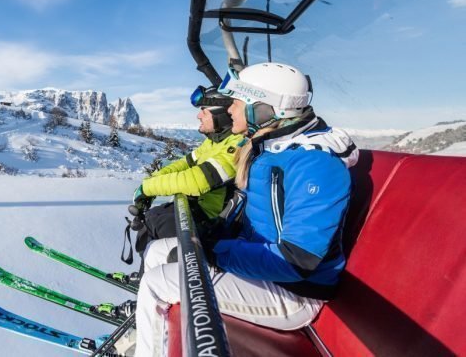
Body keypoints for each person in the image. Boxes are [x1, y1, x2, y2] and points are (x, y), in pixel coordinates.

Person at [133, 62, 359, 356]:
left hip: (294, 292)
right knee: (158, 251)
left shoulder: (314, 164)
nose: (229, 110)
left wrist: (215, 251)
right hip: (262, 266)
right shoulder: (268, 149)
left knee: (156, 284)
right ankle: (153, 335)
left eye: (237, 103)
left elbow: (299, 260)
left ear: (263, 109)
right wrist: (218, 236)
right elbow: (259, 219)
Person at [94, 86, 244, 319]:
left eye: (204, 110)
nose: (198, 115)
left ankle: (151, 301)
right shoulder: (214, 142)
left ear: (220, 115)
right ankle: (148, 275)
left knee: (162, 224)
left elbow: (197, 180)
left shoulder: (236, 145)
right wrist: (151, 184)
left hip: (214, 224)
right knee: (152, 218)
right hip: (199, 211)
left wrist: (148, 188)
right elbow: (183, 164)